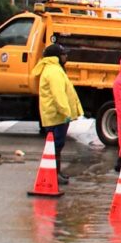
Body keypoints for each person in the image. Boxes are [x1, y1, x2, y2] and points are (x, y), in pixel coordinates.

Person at [31, 44, 83, 185]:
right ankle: (54, 175)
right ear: (56, 57)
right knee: (56, 146)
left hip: (55, 115)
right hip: (57, 116)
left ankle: (56, 173)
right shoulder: (54, 71)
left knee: (56, 146)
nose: (66, 57)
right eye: (63, 54)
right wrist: (66, 113)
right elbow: (58, 94)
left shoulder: (53, 69)